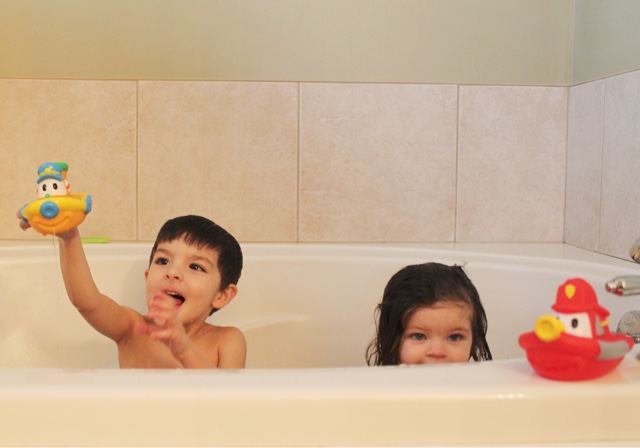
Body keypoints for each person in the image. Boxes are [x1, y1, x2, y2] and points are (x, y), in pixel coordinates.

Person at [18, 214, 246, 369]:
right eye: (163, 261)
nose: (172, 272)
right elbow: (87, 302)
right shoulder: (131, 328)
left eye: (195, 266)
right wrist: (69, 238)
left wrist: (184, 348)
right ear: (147, 277)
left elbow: (229, 402)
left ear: (222, 295)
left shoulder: (226, 341)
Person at [366, 262, 491, 366]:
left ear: (474, 341)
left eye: (454, 337)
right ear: (392, 340)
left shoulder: (478, 387)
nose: (437, 352)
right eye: (419, 336)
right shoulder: (381, 387)